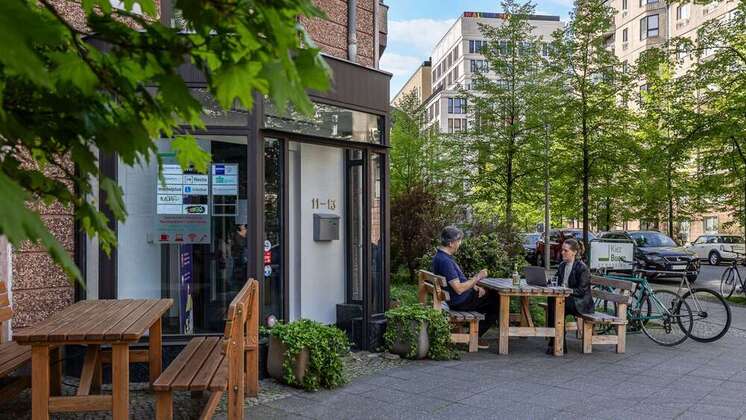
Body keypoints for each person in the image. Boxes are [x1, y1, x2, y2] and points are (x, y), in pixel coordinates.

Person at [431, 226, 498, 349]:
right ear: (451, 243)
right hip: (459, 301)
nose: (460, 243)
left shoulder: (440, 257)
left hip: (455, 298)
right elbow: (459, 288)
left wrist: (474, 287)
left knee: (491, 296)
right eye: (459, 240)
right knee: (497, 301)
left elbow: (458, 283)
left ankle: (473, 334)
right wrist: (477, 277)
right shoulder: (445, 261)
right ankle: (474, 337)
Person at [546, 238, 593, 354]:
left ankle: (557, 342)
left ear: (574, 252)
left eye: (565, 251)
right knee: (552, 301)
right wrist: (548, 282)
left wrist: (567, 291)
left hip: (581, 302)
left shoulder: (582, 268)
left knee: (557, 304)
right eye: (562, 250)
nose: (562, 252)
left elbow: (581, 291)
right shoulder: (562, 265)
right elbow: (556, 281)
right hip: (567, 299)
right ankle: (557, 341)